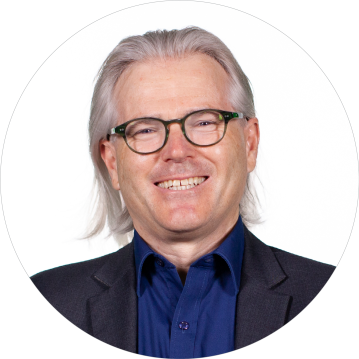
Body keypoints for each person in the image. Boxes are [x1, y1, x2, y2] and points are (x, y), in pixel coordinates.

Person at [31, 27, 335, 358]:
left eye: (205, 122)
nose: (177, 151)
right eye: (145, 129)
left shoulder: (336, 298)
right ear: (112, 162)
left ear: (250, 143)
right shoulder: (39, 304)